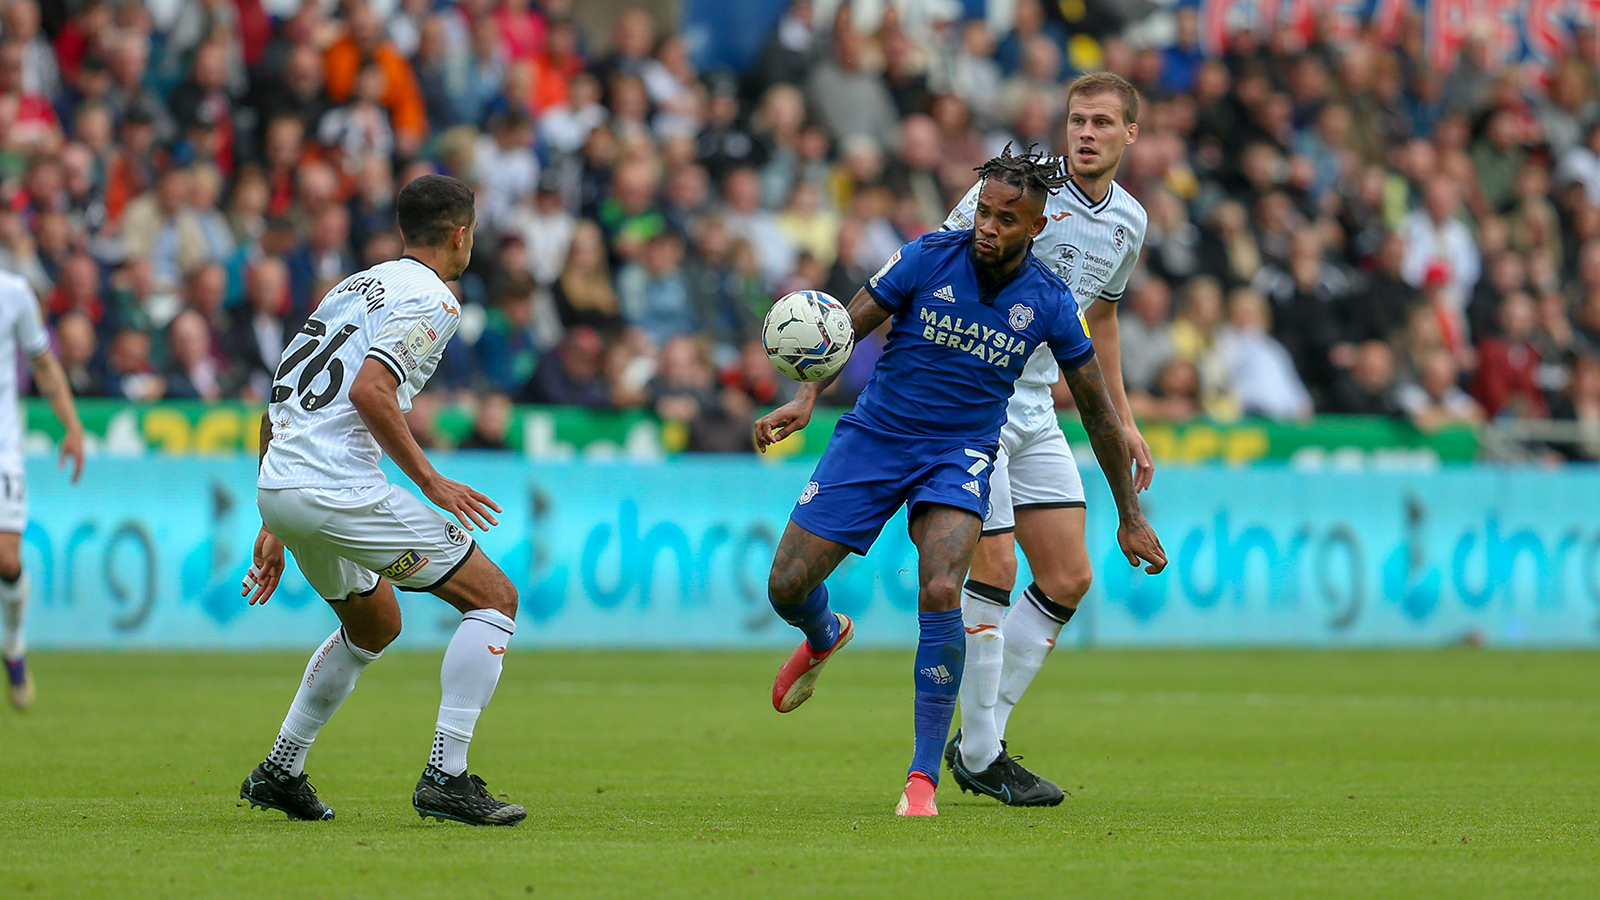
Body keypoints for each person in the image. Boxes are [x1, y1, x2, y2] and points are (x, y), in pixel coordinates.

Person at [753, 146, 1167, 817]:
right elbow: (845, 329)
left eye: (1008, 218)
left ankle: (923, 780)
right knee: (785, 586)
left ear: (1036, 227)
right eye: (985, 210)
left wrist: (1130, 512)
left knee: (945, 584)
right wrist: (805, 398)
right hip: (875, 440)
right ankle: (826, 633)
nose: (989, 225)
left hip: (960, 453)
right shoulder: (926, 255)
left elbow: (1096, 410)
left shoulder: (1051, 302)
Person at [238, 175, 525, 827]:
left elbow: (280, 396)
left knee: (375, 625)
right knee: (494, 600)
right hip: (337, 487)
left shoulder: (351, 289)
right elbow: (371, 390)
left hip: (284, 482)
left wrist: (273, 517)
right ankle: (446, 778)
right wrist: (432, 483)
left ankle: (281, 769)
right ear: (461, 234)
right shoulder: (436, 300)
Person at [937, 73, 1154, 805]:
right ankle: (981, 751)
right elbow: (935, 260)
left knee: (1068, 576)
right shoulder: (1019, 191)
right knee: (994, 564)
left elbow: (1106, 320)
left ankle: (978, 742)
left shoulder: (1128, 221)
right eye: (1076, 120)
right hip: (974, 398)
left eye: (1101, 122)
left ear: (1130, 134)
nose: (1085, 133)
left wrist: (1121, 420)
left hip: (1036, 407)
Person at [0, 268, 85, 710]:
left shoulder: (13, 293)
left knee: (6, 557)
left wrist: (71, 425)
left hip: (2, 450)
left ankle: (13, 645)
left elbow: (44, 364)